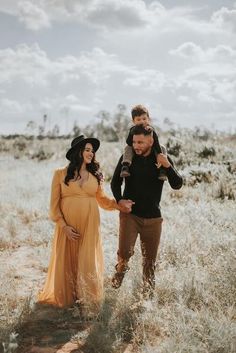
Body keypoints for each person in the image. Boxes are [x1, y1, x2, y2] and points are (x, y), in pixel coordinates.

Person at [38, 135, 128, 315]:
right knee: (67, 259)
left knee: (87, 259)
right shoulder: (60, 174)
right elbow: (54, 206)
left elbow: (101, 200)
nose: (91, 153)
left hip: (90, 224)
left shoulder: (95, 175)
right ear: (78, 152)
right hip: (67, 226)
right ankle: (69, 297)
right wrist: (64, 226)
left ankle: (86, 298)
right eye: (87, 150)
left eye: (92, 151)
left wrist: (119, 204)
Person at [111, 125, 183, 297]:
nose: (136, 145)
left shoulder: (161, 158)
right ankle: (118, 276)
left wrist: (168, 165)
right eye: (134, 141)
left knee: (150, 262)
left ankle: (147, 298)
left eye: (140, 142)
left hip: (153, 219)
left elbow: (178, 184)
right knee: (124, 254)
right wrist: (120, 200)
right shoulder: (127, 158)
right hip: (131, 216)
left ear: (151, 141)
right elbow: (115, 183)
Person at [120, 104, 167, 181]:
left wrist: (159, 154)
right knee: (127, 147)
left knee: (162, 147)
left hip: (150, 148)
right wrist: (132, 133)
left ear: (148, 119)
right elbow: (128, 142)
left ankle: (162, 170)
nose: (142, 121)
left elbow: (156, 143)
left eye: (144, 119)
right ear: (133, 121)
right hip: (135, 148)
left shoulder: (150, 130)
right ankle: (125, 167)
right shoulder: (132, 129)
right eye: (138, 119)